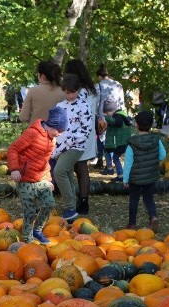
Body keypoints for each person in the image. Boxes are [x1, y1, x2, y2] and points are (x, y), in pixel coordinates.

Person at [7, 107, 68, 244]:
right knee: (30, 211)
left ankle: (37, 230)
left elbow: (45, 161)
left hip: (41, 179)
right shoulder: (32, 134)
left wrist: (48, 179)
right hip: (25, 179)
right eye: (59, 130)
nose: (59, 134)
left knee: (49, 204)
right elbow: (13, 149)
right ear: (51, 125)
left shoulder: (52, 139)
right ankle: (28, 239)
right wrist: (14, 169)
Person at [52, 74, 93, 221]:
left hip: (76, 146)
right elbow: (56, 126)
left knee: (59, 171)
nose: (69, 95)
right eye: (66, 92)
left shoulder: (84, 106)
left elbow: (86, 130)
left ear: (78, 90)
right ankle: (72, 206)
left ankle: (70, 206)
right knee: (67, 173)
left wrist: (70, 141)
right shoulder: (60, 106)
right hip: (60, 146)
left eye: (72, 92)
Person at [123, 110, 166, 231]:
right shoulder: (156, 139)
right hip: (150, 176)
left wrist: (125, 179)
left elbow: (128, 164)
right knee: (149, 198)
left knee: (134, 200)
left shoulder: (132, 143)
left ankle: (132, 224)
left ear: (136, 125)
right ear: (151, 125)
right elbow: (162, 155)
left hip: (135, 179)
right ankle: (153, 217)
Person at [64, 59, 97, 214]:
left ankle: (77, 201)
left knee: (76, 167)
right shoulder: (93, 90)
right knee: (82, 168)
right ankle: (83, 200)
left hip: (76, 134)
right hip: (89, 134)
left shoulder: (78, 93)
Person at [94, 65, 125, 169]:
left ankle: (101, 159)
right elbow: (122, 103)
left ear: (99, 76)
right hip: (116, 115)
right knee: (113, 138)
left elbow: (96, 103)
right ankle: (112, 161)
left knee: (102, 137)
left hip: (103, 115)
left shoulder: (98, 86)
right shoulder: (118, 85)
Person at [19, 61, 64, 125]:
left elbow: (23, 117)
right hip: (57, 131)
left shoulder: (33, 91)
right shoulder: (64, 92)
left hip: (37, 131)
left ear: (42, 76)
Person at [102, 99, 132, 178]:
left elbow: (117, 123)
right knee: (110, 154)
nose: (107, 114)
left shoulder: (118, 116)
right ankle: (114, 171)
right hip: (121, 143)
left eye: (107, 112)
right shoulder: (121, 115)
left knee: (113, 156)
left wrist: (107, 118)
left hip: (119, 143)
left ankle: (118, 173)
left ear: (111, 110)